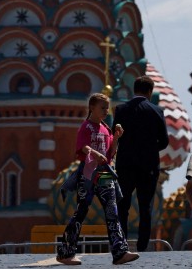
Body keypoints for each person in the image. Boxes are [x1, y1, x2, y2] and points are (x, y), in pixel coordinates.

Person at [56, 92, 139, 266]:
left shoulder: (106, 129)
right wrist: (94, 153)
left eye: (107, 108)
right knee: (80, 212)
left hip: (104, 174)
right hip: (88, 174)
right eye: (102, 108)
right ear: (92, 108)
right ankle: (66, 252)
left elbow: (110, 153)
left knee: (112, 212)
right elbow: (83, 147)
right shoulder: (86, 127)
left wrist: (116, 138)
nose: (106, 111)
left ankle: (120, 252)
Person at [114, 75, 170, 252]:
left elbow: (115, 136)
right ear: (150, 91)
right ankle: (142, 246)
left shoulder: (121, 109)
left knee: (122, 205)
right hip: (148, 166)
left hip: (125, 164)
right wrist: (150, 150)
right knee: (146, 207)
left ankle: (121, 244)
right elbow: (164, 141)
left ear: (134, 89)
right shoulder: (156, 111)